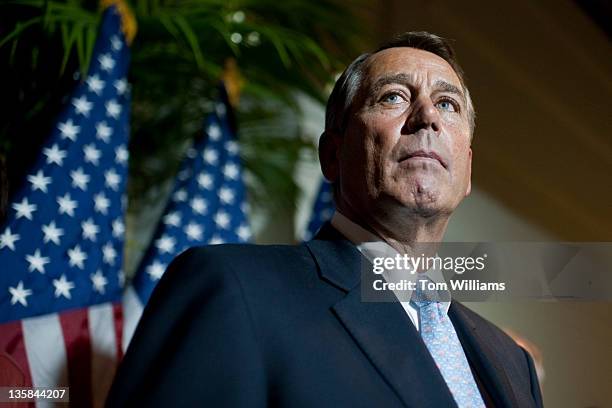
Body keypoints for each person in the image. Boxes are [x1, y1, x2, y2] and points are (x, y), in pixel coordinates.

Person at [107, 32, 544, 407]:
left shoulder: (511, 361)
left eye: (447, 104)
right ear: (332, 155)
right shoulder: (232, 286)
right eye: (394, 96)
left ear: (466, 168)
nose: (427, 116)